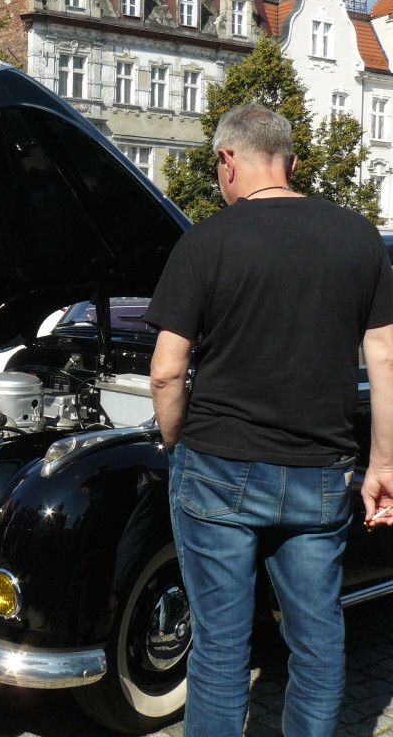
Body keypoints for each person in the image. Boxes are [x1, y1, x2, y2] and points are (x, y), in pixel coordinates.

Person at [146, 103, 393, 737]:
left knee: (222, 650)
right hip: (322, 473)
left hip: (217, 467)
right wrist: (385, 464)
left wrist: (177, 444)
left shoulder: (205, 239)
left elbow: (167, 372)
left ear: (228, 159)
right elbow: (386, 355)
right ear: (291, 159)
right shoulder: (359, 236)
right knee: (317, 646)